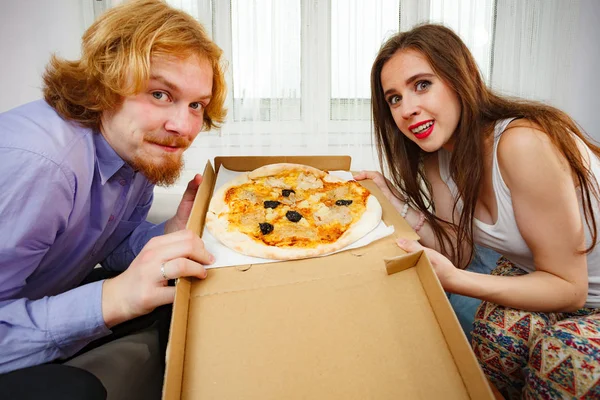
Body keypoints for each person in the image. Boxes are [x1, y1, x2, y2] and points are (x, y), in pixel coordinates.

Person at [355, 23, 600, 399]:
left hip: (573, 288)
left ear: (462, 77)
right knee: (495, 335)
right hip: (546, 277)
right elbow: (458, 250)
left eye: (422, 85)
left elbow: (570, 290)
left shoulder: (522, 143)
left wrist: (455, 280)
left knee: (563, 355)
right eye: (394, 98)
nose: (407, 109)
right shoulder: (439, 159)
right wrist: (394, 200)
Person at [0, 0, 226, 398]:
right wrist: (112, 300)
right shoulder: (41, 165)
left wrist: (169, 232)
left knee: (183, 293)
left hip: (35, 297)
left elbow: (114, 243)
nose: (183, 126)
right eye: (159, 94)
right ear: (103, 84)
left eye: (196, 105)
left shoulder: (134, 150)